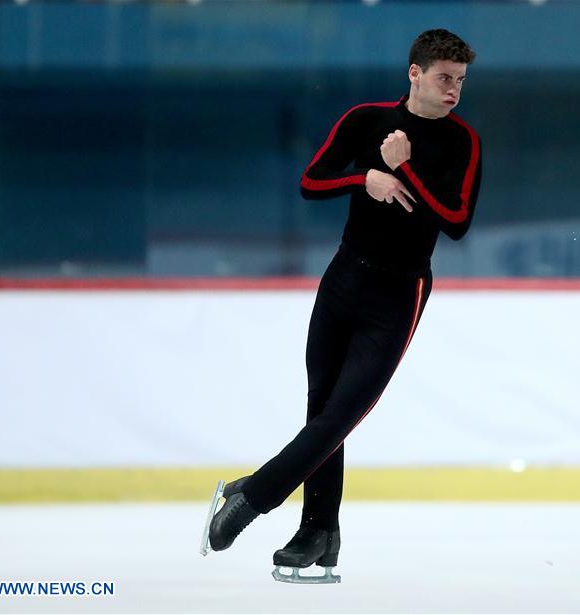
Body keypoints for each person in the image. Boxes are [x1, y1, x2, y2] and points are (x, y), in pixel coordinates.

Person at [203, 28, 481, 583]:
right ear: (415, 73)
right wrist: (367, 178)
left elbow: (455, 221)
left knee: (342, 415)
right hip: (344, 277)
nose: (453, 89)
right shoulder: (365, 120)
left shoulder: (462, 141)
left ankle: (252, 496)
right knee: (321, 409)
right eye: (444, 77)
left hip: (400, 292)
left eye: (460, 80)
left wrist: (405, 169)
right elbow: (311, 182)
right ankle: (318, 533)